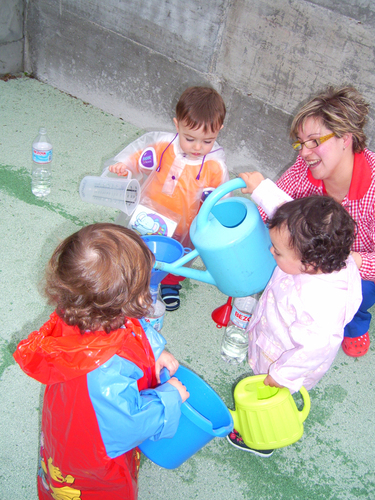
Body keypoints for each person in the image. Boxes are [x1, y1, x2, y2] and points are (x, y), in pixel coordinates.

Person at [13, 223, 189, 500]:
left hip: (75, 417)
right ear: (131, 299)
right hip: (93, 452)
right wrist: (169, 398)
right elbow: (128, 425)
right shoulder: (105, 374)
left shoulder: (81, 311)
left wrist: (154, 351)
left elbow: (132, 329)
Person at [226, 175, 362, 457]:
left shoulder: (320, 303)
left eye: (277, 252)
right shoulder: (322, 248)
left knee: (272, 395)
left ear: (309, 263)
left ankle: (264, 437)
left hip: (284, 356)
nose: (271, 251)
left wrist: (281, 376)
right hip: (279, 327)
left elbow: (316, 348)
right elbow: (290, 213)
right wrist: (261, 188)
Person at [255, 85, 374, 357]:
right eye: (301, 143)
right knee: (276, 252)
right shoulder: (303, 169)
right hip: (311, 256)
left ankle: (356, 321)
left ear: (346, 137)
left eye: (315, 141)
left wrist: (353, 262)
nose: (304, 153)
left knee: (357, 294)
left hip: (356, 265)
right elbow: (271, 213)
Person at [109, 86, 229, 311]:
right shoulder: (163, 146)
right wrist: (124, 166)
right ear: (177, 125)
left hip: (183, 228)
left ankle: (171, 284)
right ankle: (135, 279)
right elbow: (139, 158)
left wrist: (215, 222)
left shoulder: (215, 166)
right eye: (190, 138)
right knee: (139, 249)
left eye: (207, 141)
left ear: (219, 130)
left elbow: (221, 198)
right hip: (148, 215)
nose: (197, 147)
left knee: (179, 258)